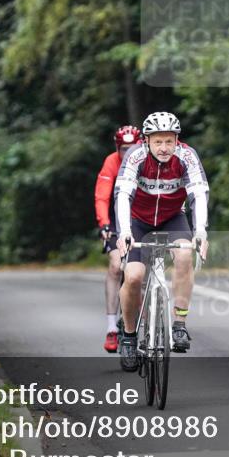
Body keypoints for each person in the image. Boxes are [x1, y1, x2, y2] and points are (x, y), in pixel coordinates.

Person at [115, 112, 209, 371]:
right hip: (138, 221)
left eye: (169, 141)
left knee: (184, 255)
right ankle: (130, 337)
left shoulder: (186, 156)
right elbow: (123, 194)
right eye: (158, 142)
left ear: (177, 140)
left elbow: (199, 194)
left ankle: (179, 324)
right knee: (133, 277)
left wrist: (200, 231)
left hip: (171, 218)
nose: (164, 148)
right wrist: (124, 232)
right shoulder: (135, 156)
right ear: (146, 141)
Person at [94, 124, 142, 353]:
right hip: (115, 220)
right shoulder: (111, 162)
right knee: (116, 266)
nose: (128, 153)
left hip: (140, 218)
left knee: (142, 270)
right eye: (124, 149)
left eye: (133, 148)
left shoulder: (146, 160)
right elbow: (102, 197)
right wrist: (104, 224)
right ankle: (112, 327)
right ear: (117, 148)